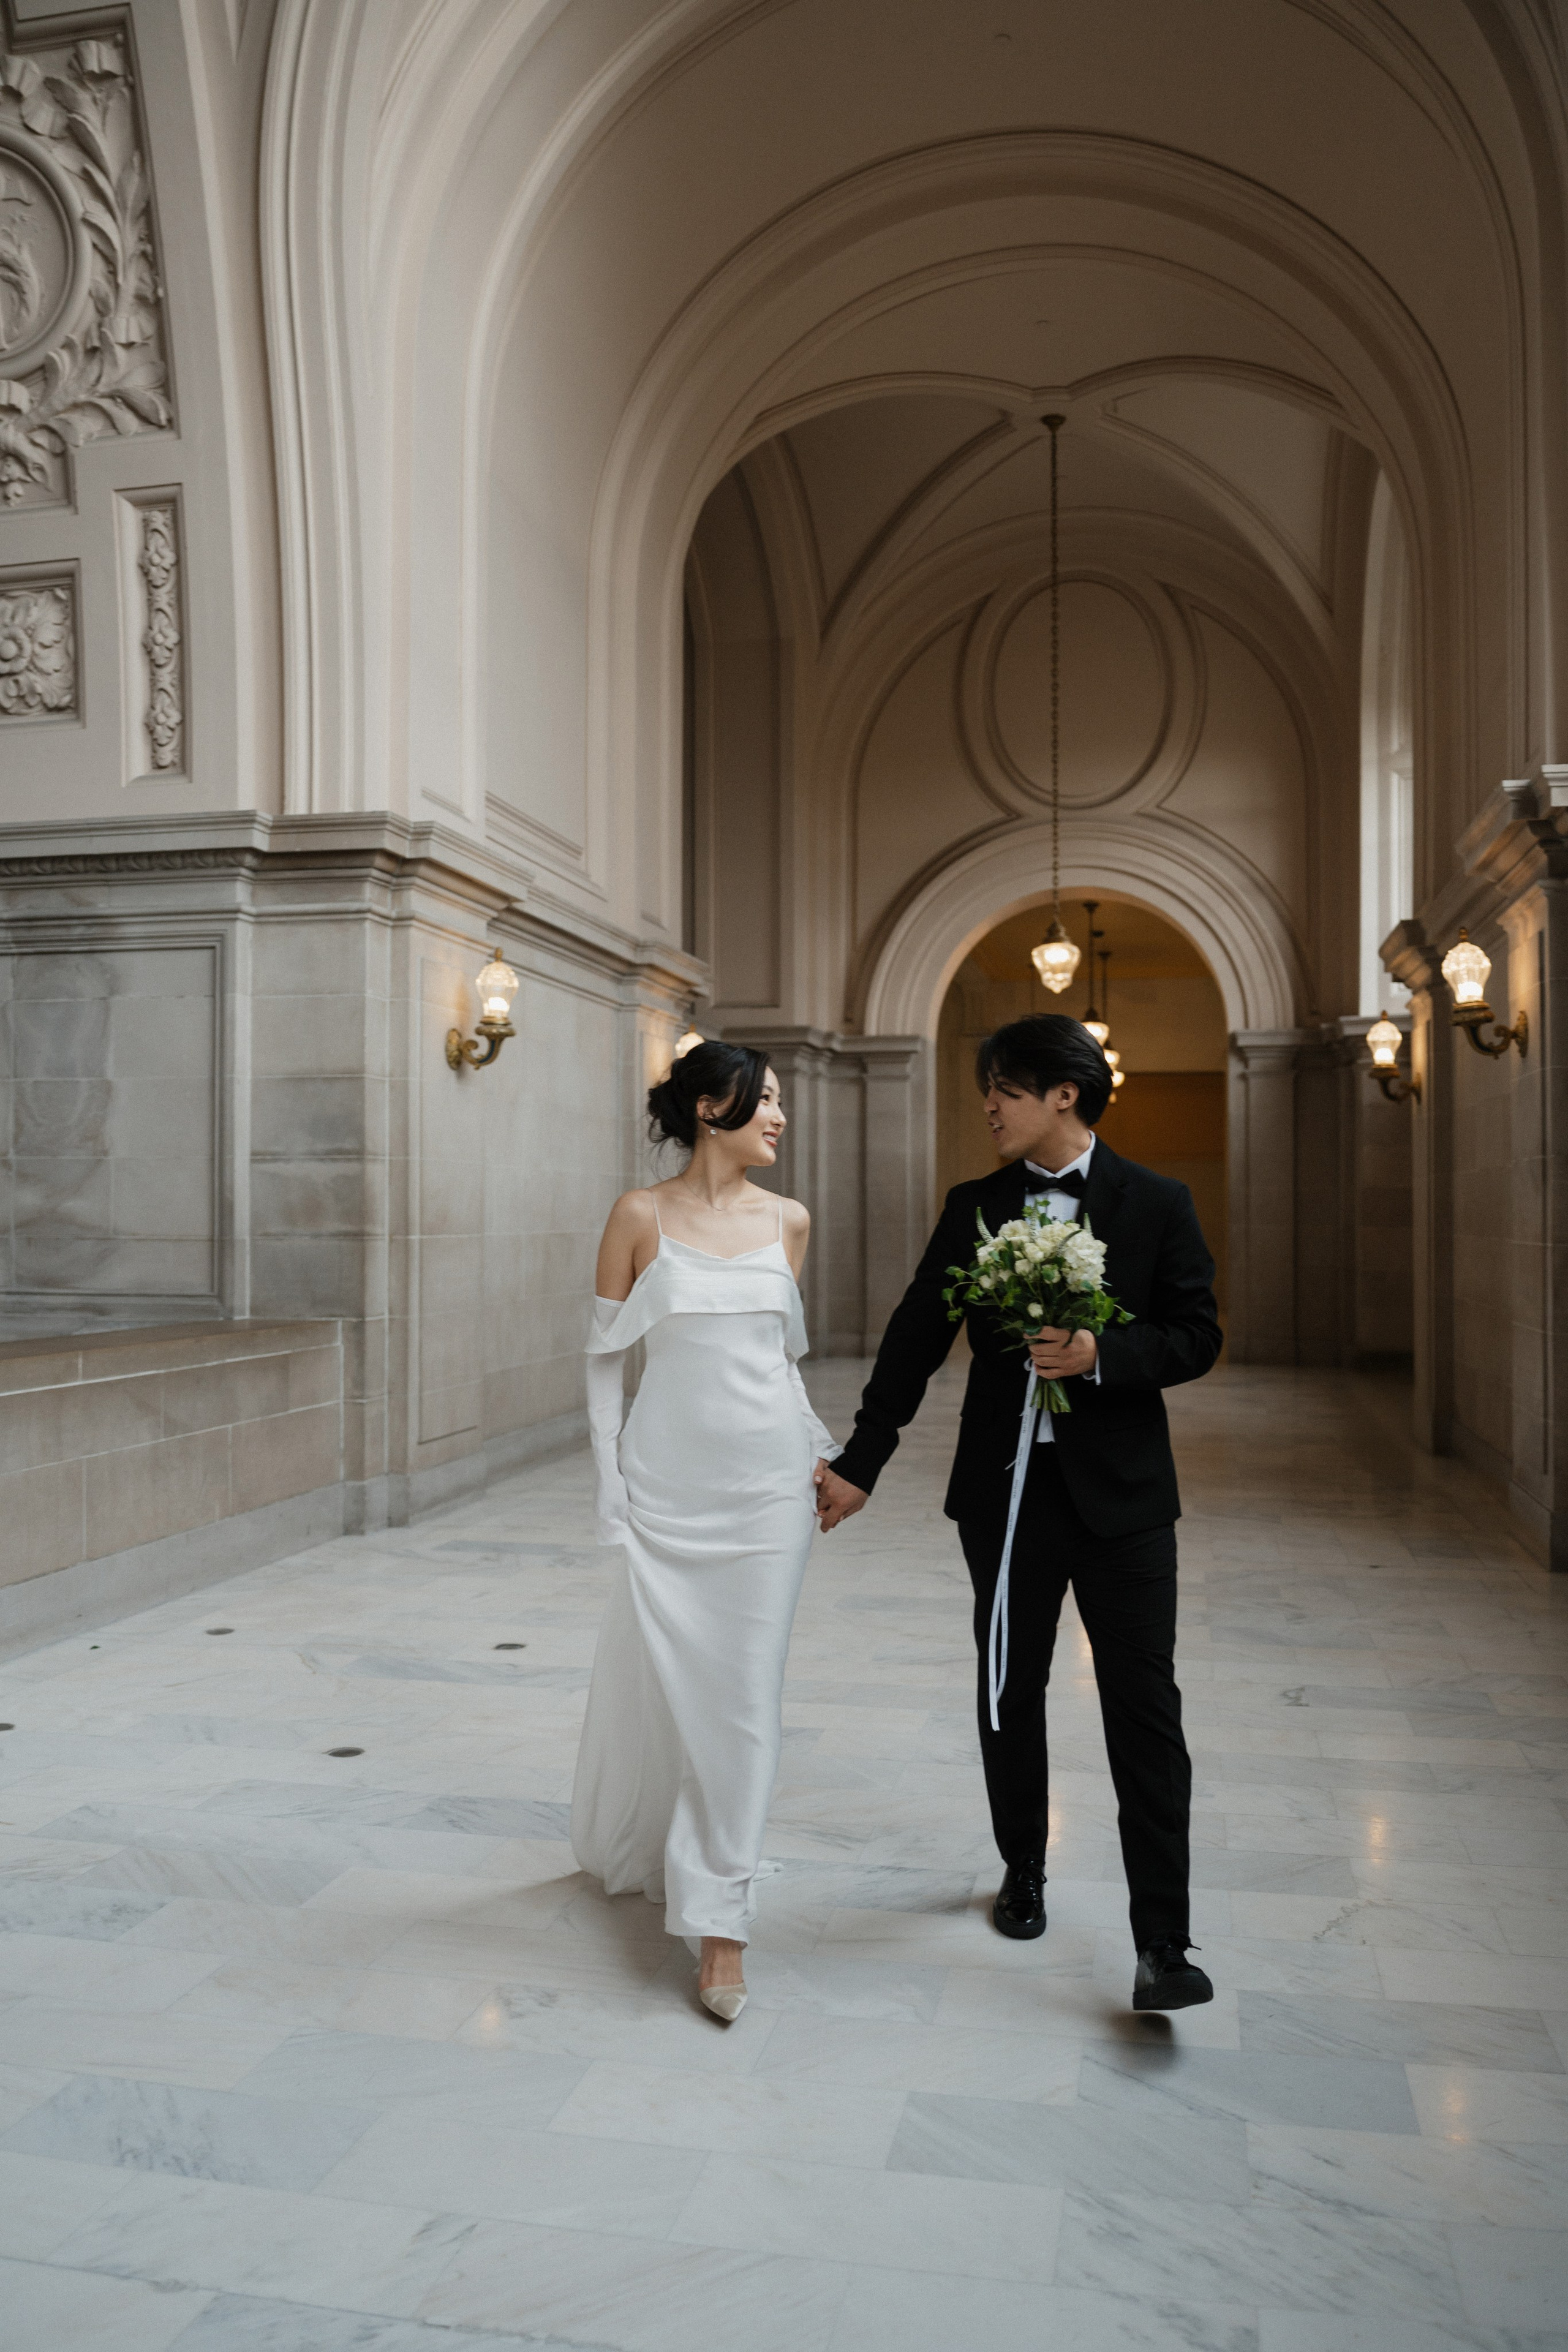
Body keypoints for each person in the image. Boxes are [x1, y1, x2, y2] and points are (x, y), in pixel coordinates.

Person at [814, 1013, 1222, 2011]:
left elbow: (1197, 1334)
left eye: (1002, 1087)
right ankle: (1024, 1869)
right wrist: (860, 1461)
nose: (987, 1105)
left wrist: (1102, 1357)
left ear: (1064, 1096)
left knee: (1146, 1710)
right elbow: (915, 1335)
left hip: (1125, 1503)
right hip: (1004, 1498)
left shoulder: (1157, 1202)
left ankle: (1163, 1943)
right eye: (986, 1088)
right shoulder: (975, 1206)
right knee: (1009, 1689)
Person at [571, 1040, 837, 2022]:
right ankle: (677, 1853)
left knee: (747, 1699)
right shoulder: (638, 1216)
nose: (780, 1118)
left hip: (770, 1490)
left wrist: (820, 1449)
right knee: (685, 1690)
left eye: (782, 1103)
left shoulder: (791, 1221)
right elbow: (605, 1361)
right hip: (668, 1490)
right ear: (710, 1107)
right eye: (766, 1100)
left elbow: (779, 1359)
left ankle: (722, 1925)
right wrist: (610, 1486)